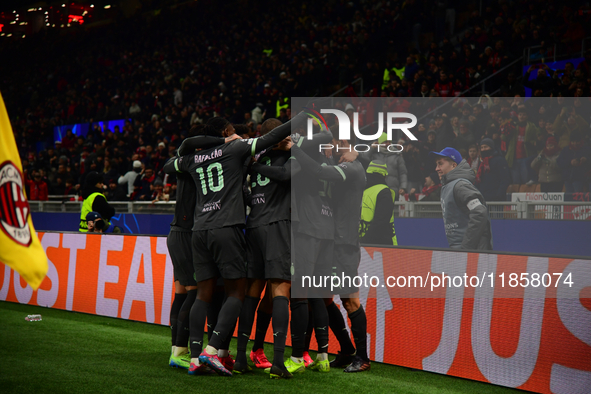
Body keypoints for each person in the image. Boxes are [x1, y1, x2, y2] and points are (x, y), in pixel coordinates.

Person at [163, 113, 306, 377]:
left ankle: (194, 357)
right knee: (237, 292)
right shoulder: (235, 149)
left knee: (202, 294)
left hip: (198, 230)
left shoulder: (195, 158)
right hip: (226, 228)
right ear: (228, 132)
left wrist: (193, 144)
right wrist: (299, 119)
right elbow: (271, 138)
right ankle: (214, 349)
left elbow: (169, 165)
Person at [290, 132, 370, 373]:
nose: (337, 148)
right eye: (335, 144)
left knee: (350, 300)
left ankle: (363, 357)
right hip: (332, 242)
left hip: (345, 244)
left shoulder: (352, 168)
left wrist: (294, 148)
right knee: (324, 299)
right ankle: (346, 349)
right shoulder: (345, 164)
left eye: (342, 144)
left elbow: (320, 172)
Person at [430, 147, 493, 250]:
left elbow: (479, 212)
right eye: (436, 164)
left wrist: (466, 248)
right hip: (461, 251)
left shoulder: (460, 186)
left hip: (471, 254)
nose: (436, 168)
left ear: (454, 165)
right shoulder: (449, 186)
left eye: (440, 164)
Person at [359, 161, 397, 246]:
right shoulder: (384, 192)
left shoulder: (361, 190)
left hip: (360, 242)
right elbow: (380, 222)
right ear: (385, 176)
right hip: (381, 246)